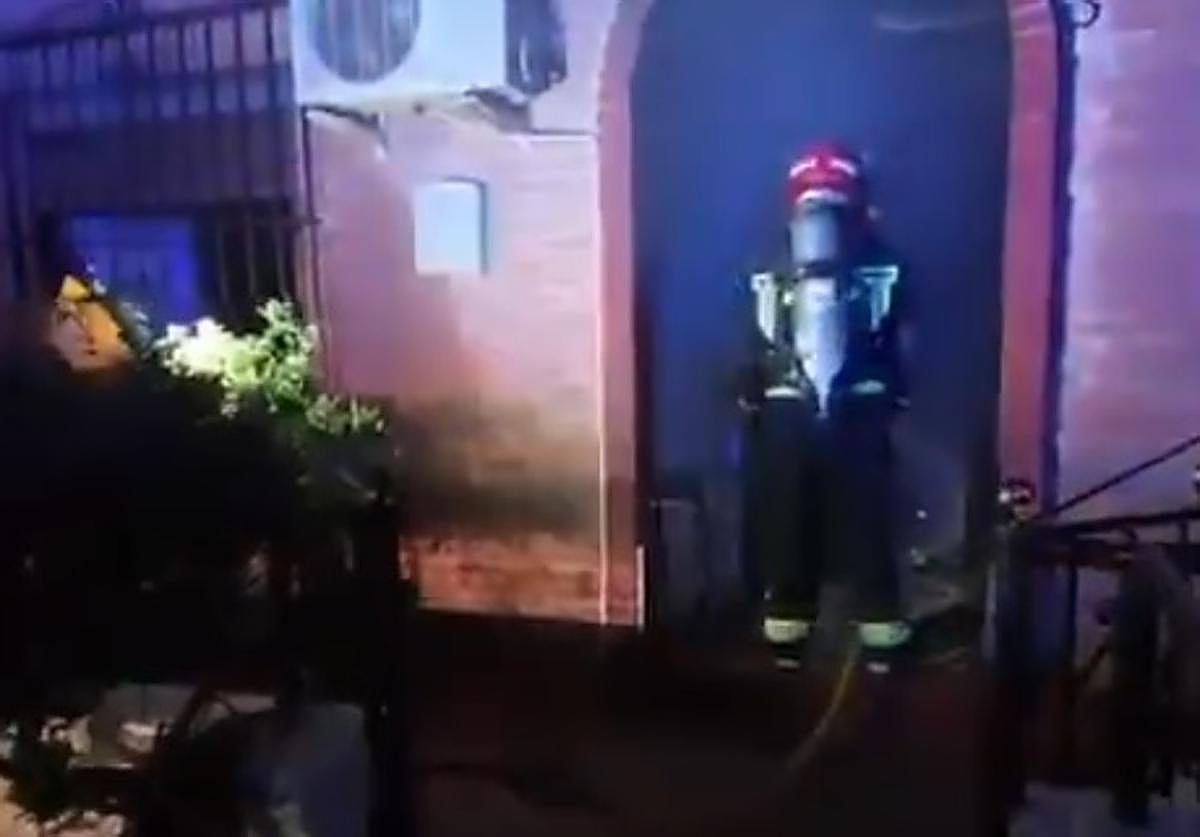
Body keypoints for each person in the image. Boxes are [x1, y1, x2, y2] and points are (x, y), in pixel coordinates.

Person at [740, 142, 911, 668]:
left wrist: (751, 396)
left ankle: (787, 637)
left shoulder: (767, 260)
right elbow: (902, 337)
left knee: (789, 517)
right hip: (860, 407)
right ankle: (881, 641)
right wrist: (894, 393)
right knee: (865, 519)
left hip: (788, 409)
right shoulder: (883, 260)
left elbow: (750, 338)